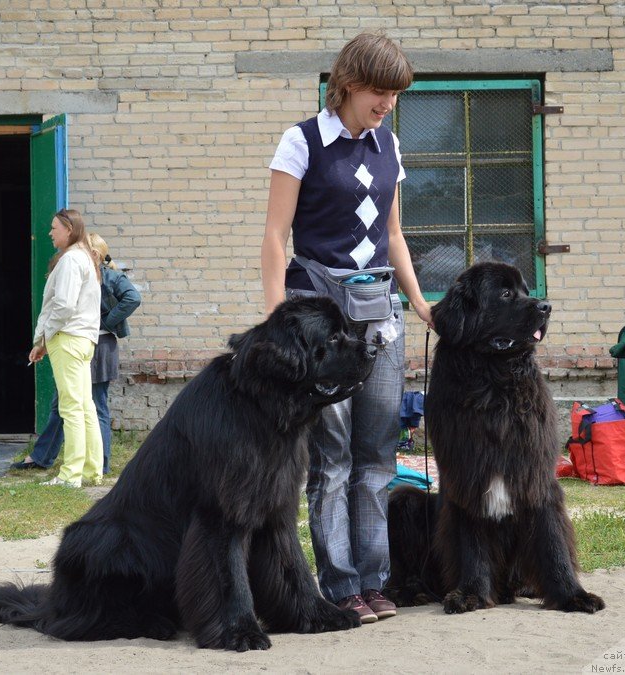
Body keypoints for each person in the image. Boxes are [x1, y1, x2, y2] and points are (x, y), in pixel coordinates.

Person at [260, 32, 432, 623]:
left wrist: (420, 302)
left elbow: (393, 237)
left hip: (379, 309)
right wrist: (278, 319)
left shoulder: (390, 145)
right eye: (379, 92)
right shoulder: (302, 141)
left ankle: (375, 581)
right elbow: (275, 238)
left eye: (395, 95)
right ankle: (340, 586)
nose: (387, 104)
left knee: (378, 453)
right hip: (320, 314)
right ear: (349, 83)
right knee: (331, 458)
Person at [13, 233, 141, 475]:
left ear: (96, 254)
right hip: (86, 342)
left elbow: (133, 297)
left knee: (92, 405)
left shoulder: (108, 275)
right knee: (66, 403)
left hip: (98, 345)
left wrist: (106, 320)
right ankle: (45, 456)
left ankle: (98, 463)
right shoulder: (85, 271)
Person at [28, 209, 104, 488]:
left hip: (68, 338)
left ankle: (70, 474)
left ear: (69, 229)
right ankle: (91, 470)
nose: (50, 233)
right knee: (84, 407)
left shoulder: (72, 259)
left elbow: (63, 305)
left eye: (54, 228)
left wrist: (43, 339)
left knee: (72, 408)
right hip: (82, 339)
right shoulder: (86, 257)